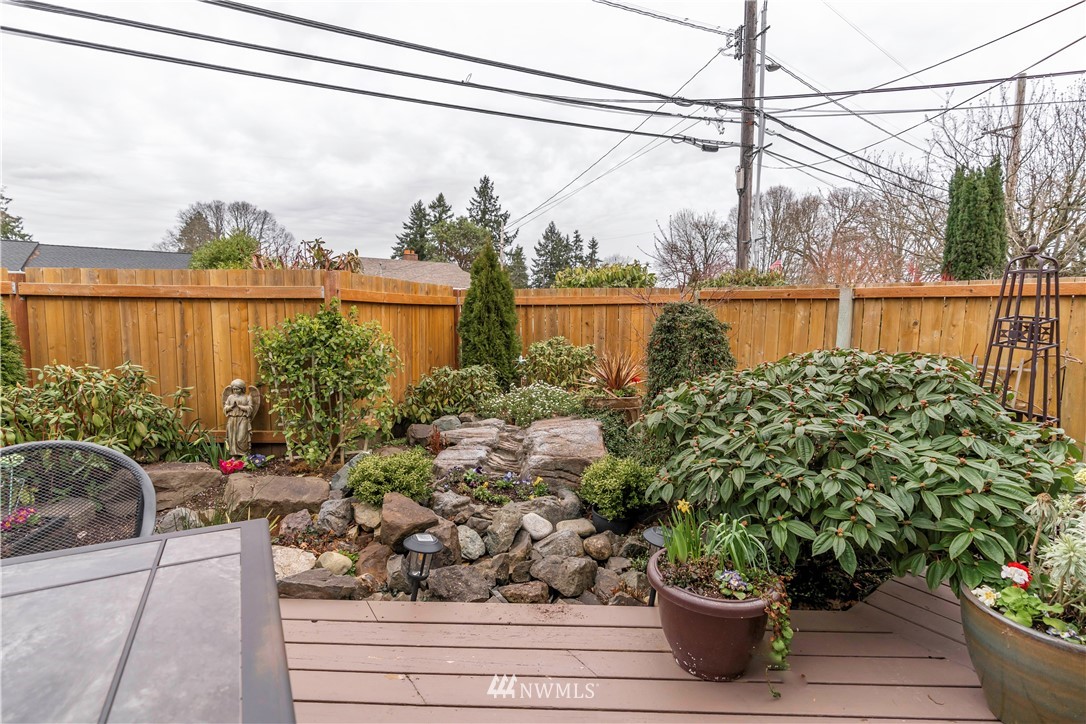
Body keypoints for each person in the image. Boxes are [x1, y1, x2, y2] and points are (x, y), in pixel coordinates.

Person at [223, 379, 254, 457]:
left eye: (237, 389)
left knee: (241, 438)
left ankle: (244, 455)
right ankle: (234, 456)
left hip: (243, 419)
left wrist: (240, 407)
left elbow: (250, 408)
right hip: (232, 419)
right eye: (234, 389)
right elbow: (225, 408)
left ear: (242, 389)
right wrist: (231, 406)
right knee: (232, 438)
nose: (235, 390)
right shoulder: (230, 397)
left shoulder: (247, 397)